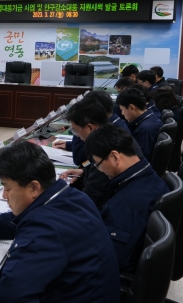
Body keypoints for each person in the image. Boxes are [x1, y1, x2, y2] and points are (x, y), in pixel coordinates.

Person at [0, 142, 119, 303]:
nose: (4, 195)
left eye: (8, 188)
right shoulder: (73, 197)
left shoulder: (46, 230)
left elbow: (12, 293)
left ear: (34, 188)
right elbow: (19, 219)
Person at [84, 124, 169, 273]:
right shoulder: (148, 175)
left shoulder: (124, 206)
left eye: (98, 164)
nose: (100, 170)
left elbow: (108, 260)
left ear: (115, 156)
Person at [57, 99, 143, 208]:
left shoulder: (105, 149)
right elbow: (91, 165)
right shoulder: (113, 133)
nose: (77, 135)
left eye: (75, 131)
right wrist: (83, 171)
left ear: (90, 127)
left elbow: (87, 200)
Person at [117, 87, 163, 162]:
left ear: (132, 108)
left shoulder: (144, 130)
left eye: (122, 109)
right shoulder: (150, 117)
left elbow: (138, 160)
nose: (122, 113)